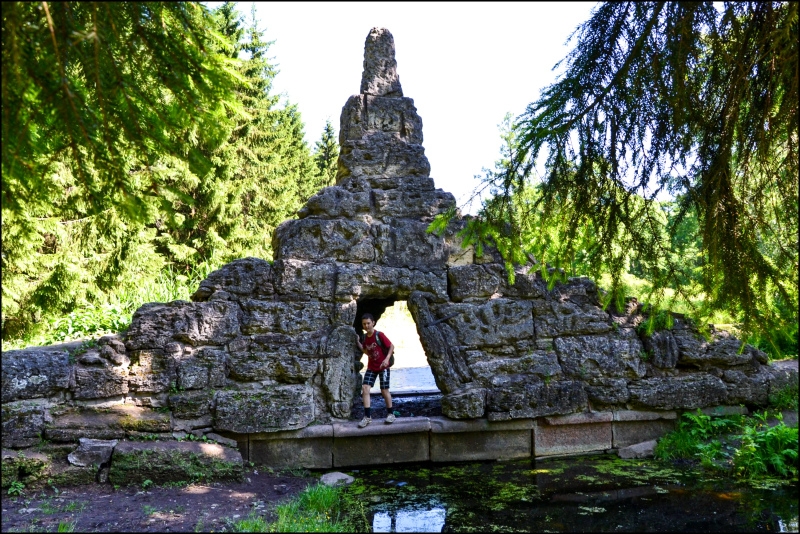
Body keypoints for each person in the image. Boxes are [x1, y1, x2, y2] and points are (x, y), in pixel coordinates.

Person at [356, 313, 397, 428]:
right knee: (365, 388)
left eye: (368, 323)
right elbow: (366, 350)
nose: (366, 326)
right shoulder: (365, 337)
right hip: (371, 367)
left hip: (383, 367)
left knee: (384, 390)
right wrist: (358, 342)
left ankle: (391, 414)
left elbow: (391, 346)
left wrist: (387, 359)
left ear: (373, 323)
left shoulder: (379, 335)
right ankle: (367, 417)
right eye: (364, 324)